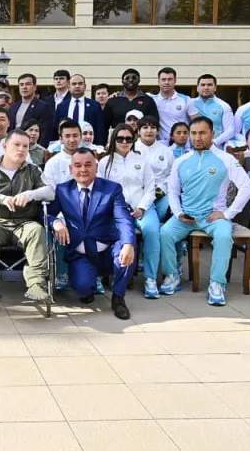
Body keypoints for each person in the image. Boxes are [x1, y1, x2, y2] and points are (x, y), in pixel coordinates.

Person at [159, 117, 250, 306]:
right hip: (186, 216)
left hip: (214, 217)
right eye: (193, 133)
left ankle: (217, 284)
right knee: (164, 233)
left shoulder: (226, 159)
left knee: (223, 238)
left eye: (202, 133)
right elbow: (173, 191)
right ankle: (172, 275)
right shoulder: (182, 161)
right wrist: (178, 213)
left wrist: (227, 214)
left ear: (213, 134)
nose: (197, 138)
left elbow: (247, 188)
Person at [0, 129, 55, 302]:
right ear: (5, 146)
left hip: (24, 223)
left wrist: (29, 195)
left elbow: (50, 191)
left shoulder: (33, 170)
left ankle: (37, 284)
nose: (21, 149)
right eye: (16, 145)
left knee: (37, 230)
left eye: (25, 146)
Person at [49, 149, 135, 318]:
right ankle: (88, 286)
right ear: (70, 168)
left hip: (108, 247)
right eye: (78, 165)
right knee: (82, 288)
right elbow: (46, 213)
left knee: (127, 251)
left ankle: (118, 298)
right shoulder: (62, 190)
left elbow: (124, 219)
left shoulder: (112, 189)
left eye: (88, 165)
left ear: (96, 167)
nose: (83, 170)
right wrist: (56, 222)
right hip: (81, 252)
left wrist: (128, 243)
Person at [100, 124, 168, 299]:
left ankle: (150, 278)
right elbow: (100, 190)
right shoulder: (104, 162)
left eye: (128, 139)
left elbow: (150, 188)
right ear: (113, 139)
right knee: (111, 234)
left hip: (142, 207)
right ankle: (107, 274)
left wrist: (142, 207)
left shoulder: (141, 161)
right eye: (120, 138)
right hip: (116, 210)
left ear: (134, 140)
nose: (124, 142)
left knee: (152, 231)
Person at [42, 120, 83, 291]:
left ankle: (94, 274)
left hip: (86, 207)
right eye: (67, 136)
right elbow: (50, 192)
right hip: (61, 209)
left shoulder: (89, 158)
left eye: (75, 136)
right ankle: (62, 273)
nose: (72, 140)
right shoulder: (54, 162)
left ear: (81, 137)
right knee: (60, 229)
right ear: (61, 138)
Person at [135, 116, 174, 219]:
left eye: (153, 127)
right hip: (138, 194)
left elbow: (173, 175)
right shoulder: (131, 149)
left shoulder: (166, 151)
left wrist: (162, 188)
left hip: (161, 193)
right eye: (145, 127)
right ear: (138, 131)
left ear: (157, 131)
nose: (149, 131)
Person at [103, 69, 158, 135]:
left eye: (134, 78)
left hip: (141, 141)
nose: (131, 80)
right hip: (119, 140)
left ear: (139, 81)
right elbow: (104, 125)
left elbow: (154, 123)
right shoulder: (113, 101)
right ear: (122, 81)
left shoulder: (148, 101)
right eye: (127, 78)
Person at [187, 74, 235, 148]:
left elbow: (230, 130)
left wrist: (214, 142)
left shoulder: (224, 106)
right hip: (192, 148)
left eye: (209, 85)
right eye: (203, 85)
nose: (206, 87)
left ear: (215, 88)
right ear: (197, 88)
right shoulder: (190, 103)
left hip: (216, 148)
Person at [55, 74, 104, 146]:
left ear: (85, 86)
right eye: (74, 84)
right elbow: (56, 129)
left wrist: (99, 147)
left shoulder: (95, 106)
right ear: (69, 86)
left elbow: (100, 130)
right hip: (66, 146)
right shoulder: (61, 106)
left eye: (80, 83)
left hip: (88, 147)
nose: (77, 86)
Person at [8, 73, 55, 146]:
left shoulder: (44, 106)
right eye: (21, 84)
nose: (24, 87)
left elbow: (45, 133)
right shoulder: (13, 107)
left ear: (35, 87)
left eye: (28, 84)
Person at [150, 67, 191, 142]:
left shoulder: (186, 100)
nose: (166, 82)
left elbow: (195, 122)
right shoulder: (152, 100)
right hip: (161, 144)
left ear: (175, 81)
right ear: (158, 81)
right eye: (163, 79)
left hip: (182, 144)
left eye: (170, 79)